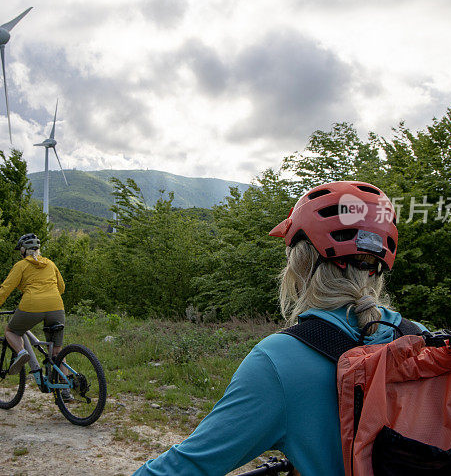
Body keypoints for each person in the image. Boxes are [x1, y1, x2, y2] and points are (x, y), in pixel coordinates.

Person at [133, 181, 426, 476]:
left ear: (301, 262)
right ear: (379, 266)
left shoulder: (279, 361)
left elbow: (186, 466)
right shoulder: (419, 339)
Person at [0, 233, 67, 384]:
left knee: (11, 331)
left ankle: (21, 353)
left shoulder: (21, 266)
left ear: (23, 250)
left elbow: (5, 289)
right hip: (57, 306)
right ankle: (66, 389)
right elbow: (61, 288)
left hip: (31, 306)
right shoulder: (50, 263)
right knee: (57, 351)